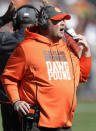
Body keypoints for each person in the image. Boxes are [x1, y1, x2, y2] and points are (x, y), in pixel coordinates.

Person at [1, 5, 91, 131]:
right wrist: (16, 101)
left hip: (64, 123)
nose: (62, 24)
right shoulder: (26, 48)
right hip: (37, 123)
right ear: (43, 23)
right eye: (56, 21)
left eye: (63, 21)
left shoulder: (66, 49)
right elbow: (8, 77)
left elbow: (81, 76)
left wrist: (86, 53)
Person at [0, 1, 39, 131]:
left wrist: (4, 18)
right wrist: (50, 14)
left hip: (8, 99)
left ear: (16, 22)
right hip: (33, 99)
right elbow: (68, 37)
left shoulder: (4, 40)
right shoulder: (42, 41)